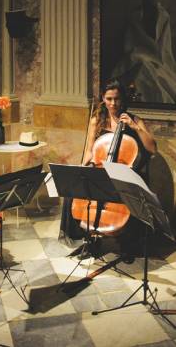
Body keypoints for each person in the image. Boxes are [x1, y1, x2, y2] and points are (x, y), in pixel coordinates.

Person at [59, 79, 157, 248]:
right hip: (100, 173)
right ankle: (83, 236)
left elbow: (153, 149)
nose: (113, 103)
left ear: (123, 99)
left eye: (117, 99)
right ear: (103, 98)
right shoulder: (97, 121)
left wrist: (135, 128)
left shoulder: (134, 120)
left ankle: (129, 242)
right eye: (109, 99)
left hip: (123, 177)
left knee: (136, 195)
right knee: (72, 192)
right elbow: (90, 150)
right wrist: (84, 169)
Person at [111, 0, 176, 104]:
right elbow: (129, 41)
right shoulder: (134, 15)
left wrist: (160, 60)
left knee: (153, 73)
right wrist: (132, 53)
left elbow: (165, 44)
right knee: (141, 67)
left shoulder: (163, 16)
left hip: (156, 56)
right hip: (136, 53)